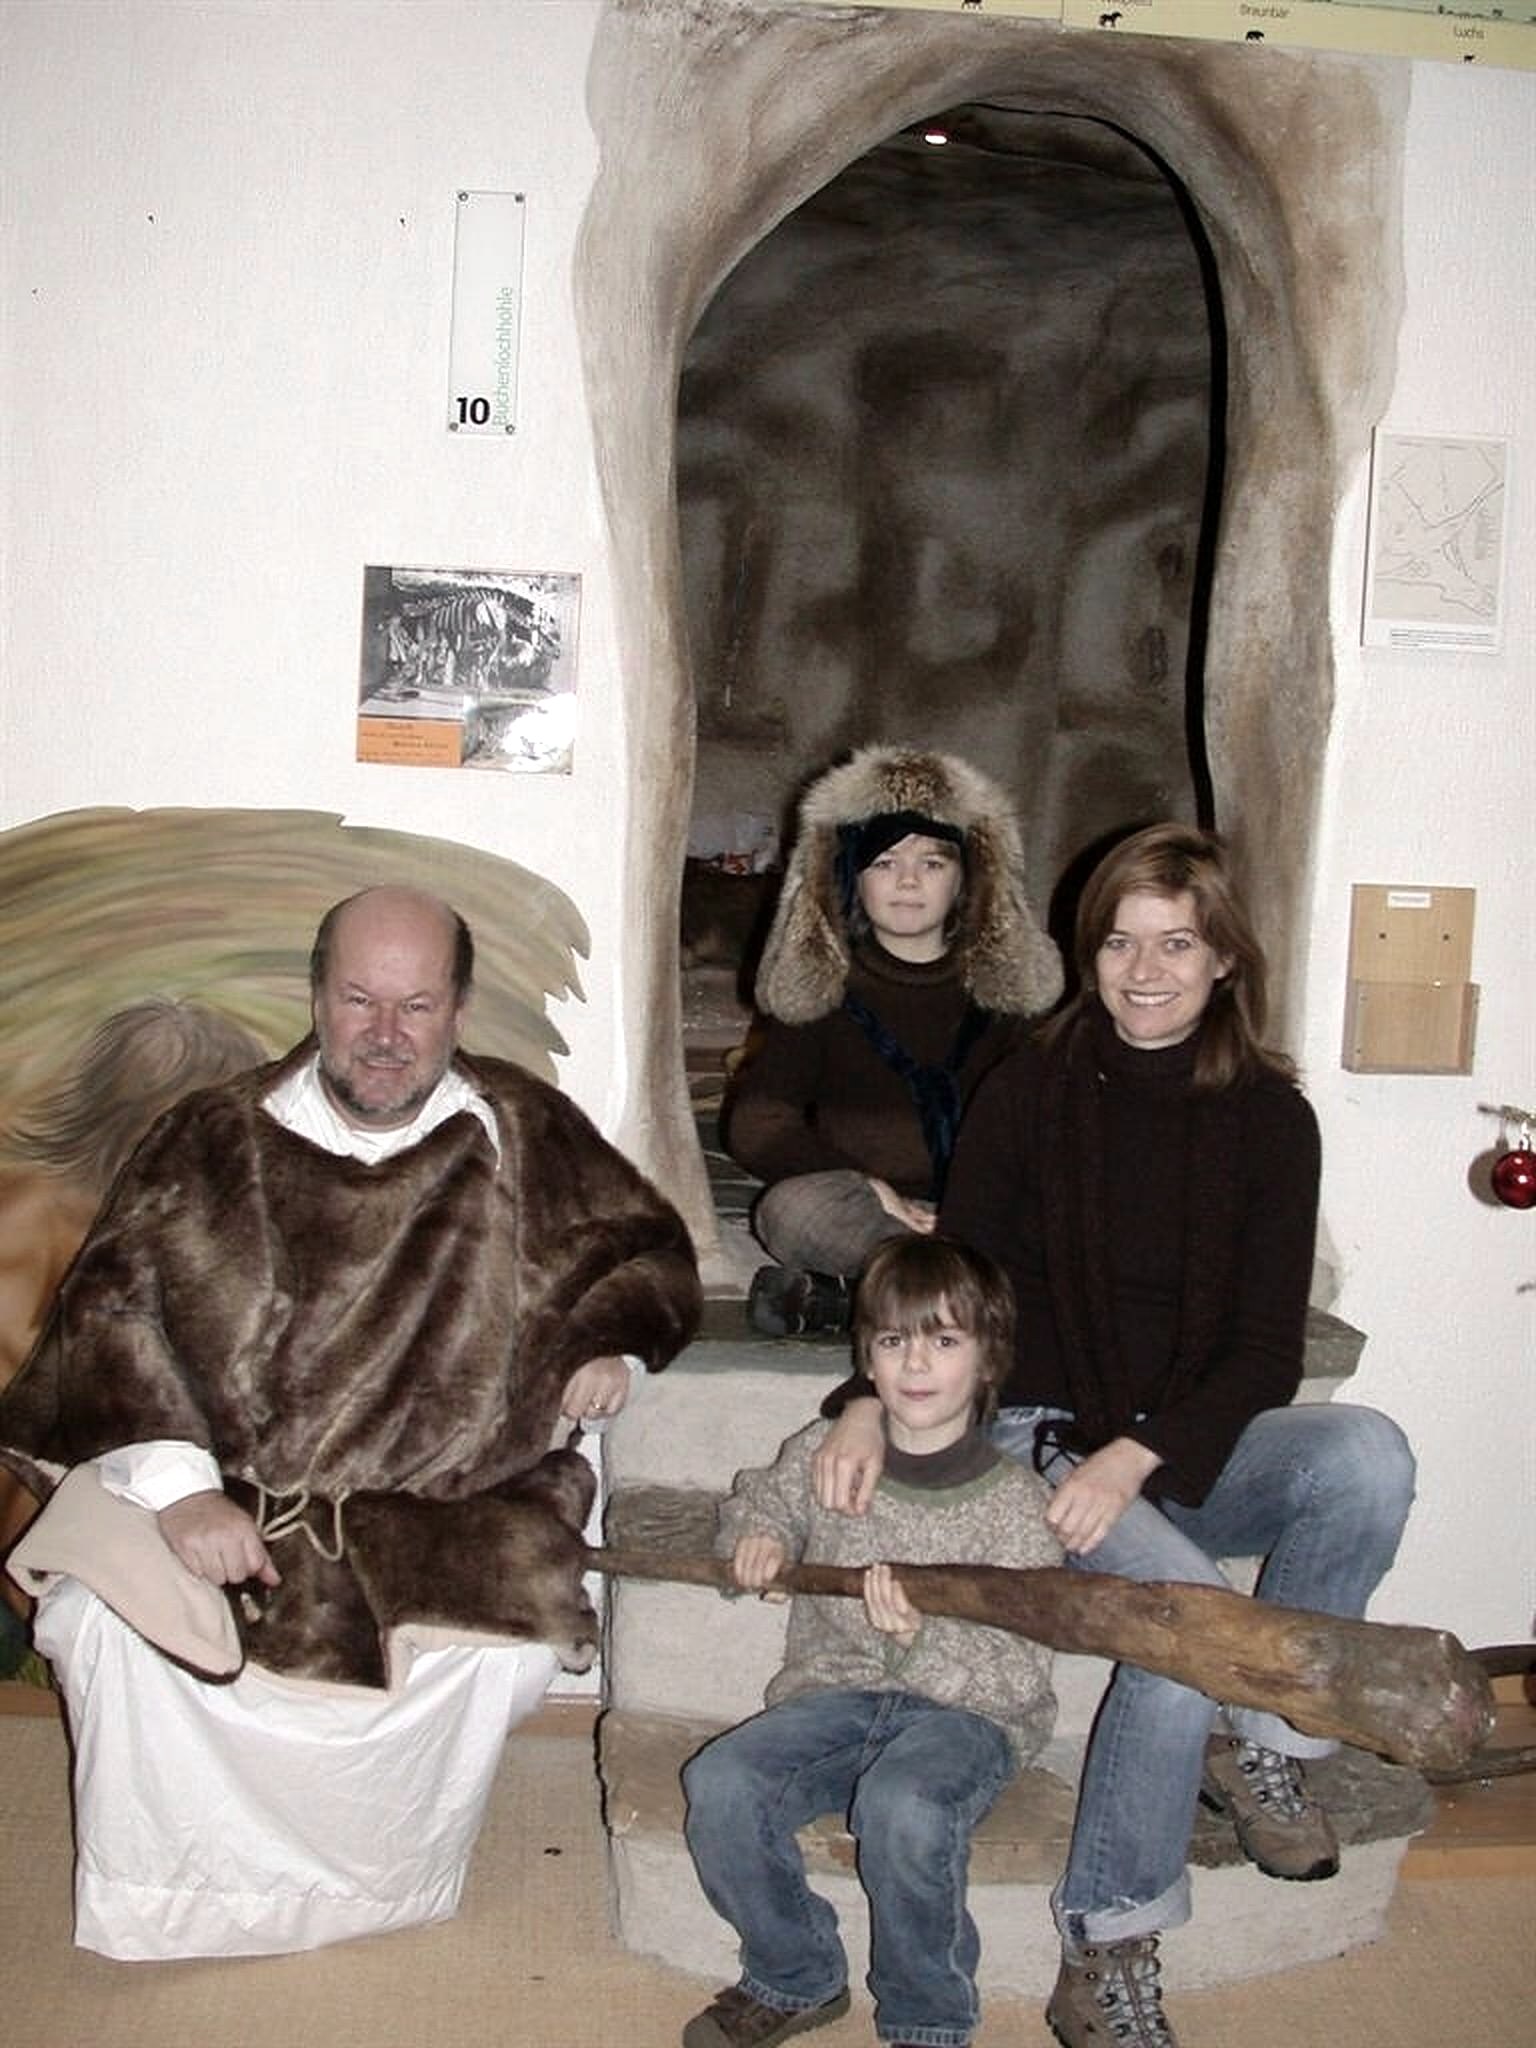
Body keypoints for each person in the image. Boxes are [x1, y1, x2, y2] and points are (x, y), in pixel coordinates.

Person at [0, 884, 701, 1959]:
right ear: (318, 996)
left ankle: (382, 1885)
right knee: (106, 1626)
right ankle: (172, 1901)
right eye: (360, 1000)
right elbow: (115, 1314)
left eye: (416, 1006)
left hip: (450, 1509)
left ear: (457, 1008)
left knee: (491, 1643)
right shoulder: (215, 1135)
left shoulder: (522, 1126)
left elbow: (646, 1254)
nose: (385, 1034)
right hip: (232, 1491)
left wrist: (607, 1337)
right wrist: (181, 1490)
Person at [810, 824, 1416, 2048]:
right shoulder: (1029, 1089)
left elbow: (1266, 1348)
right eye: (1121, 944)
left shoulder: (1272, 1118)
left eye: (1176, 944)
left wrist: (1142, 1449)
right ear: (1087, 956)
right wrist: (865, 1396)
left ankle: (1261, 1736)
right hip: (1039, 1433)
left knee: (1366, 1454)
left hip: (1168, 1446)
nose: (1146, 971)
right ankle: (1109, 1936)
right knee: (1183, 1614)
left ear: (1225, 959)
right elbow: (953, 1291)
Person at [681, 1234, 1061, 2048]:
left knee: (905, 1806)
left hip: (968, 1719)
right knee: (723, 1782)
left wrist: (923, 1638)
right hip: (836, 1695)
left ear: (988, 1360)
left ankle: (928, 2018)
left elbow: (1021, 1672)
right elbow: (759, 1505)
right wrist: (755, 1544)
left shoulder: (1018, 1508)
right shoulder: (827, 1455)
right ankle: (796, 1974)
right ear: (868, 1357)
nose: (915, 1364)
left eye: (944, 1342)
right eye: (893, 1341)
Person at [722, 745, 1060, 1337]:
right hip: (865, 1212)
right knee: (788, 1211)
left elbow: (1044, 1121)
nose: (908, 881)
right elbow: (758, 1120)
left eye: (932, 863)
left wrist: (970, 1204)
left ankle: (852, 1302)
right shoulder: (830, 990)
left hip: (976, 1206)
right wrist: (869, 1187)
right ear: (852, 877)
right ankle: (955, 1294)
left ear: (965, 877)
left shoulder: (999, 997)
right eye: (884, 863)